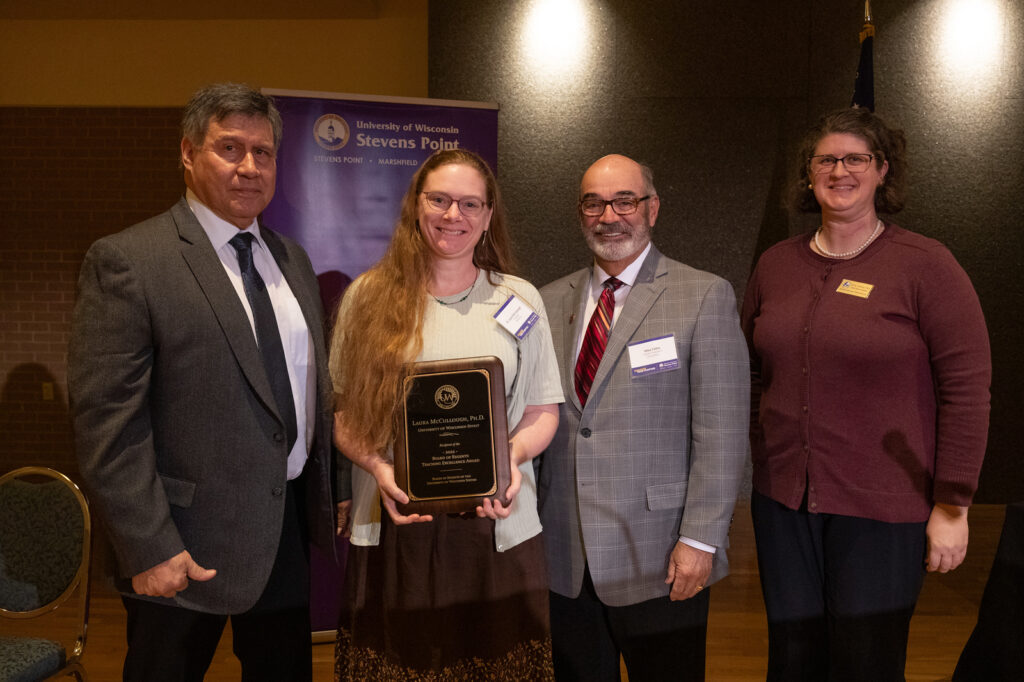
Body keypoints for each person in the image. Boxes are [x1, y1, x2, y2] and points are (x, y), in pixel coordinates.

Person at [68, 83, 344, 681]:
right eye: (230, 148)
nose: (250, 167)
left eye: (263, 152)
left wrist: (334, 487)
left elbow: (308, 390)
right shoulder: (130, 261)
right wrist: (149, 545)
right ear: (189, 154)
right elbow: (107, 424)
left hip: (283, 534)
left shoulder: (290, 257)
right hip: (181, 546)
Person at [740, 107, 991, 682]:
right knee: (793, 660)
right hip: (784, 503)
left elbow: (967, 392)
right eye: (825, 159)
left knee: (866, 663)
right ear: (808, 174)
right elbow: (752, 371)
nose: (839, 170)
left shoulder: (927, 266)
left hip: (884, 508)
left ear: (882, 171)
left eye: (856, 158)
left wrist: (953, 506)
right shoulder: (776, 265)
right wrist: (764, 451)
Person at [330, 148, 564, 679]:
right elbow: (346, 418)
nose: (452, 215)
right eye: (439, 199)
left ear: (487, 217)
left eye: (469, 204)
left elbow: (542, 409)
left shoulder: (519, 300)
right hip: (397, 522)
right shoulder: (366, 298)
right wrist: (380, 471)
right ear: (417, 204)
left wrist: (509, 459)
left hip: (496, 524)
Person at [538, 154, 750, 681]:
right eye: (594, 202)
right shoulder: (546, 301)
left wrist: (701, 539)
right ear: (579, 213)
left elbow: (722, 432)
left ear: (652, 209)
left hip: (660, 553)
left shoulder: (703, 295)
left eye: (624, 200)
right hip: (565, 553)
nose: (609, 215)